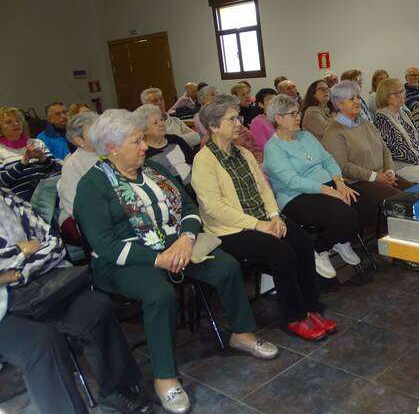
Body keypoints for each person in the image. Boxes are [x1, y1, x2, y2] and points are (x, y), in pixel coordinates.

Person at [74, 109, 277, 414]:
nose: (145, 146)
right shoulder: (92, 185)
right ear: (112, 148)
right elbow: (104, 244)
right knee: (159, 295)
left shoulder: (154, 169)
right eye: (136, 141)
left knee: (225, 266)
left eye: (143, 139)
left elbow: (189, 206)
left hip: (175, 244)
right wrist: (159, 258)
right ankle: (165, 378)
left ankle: (241, 333)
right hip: (122, 260)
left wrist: (186, 239)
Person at [191, 95, 337, 341]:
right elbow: (214, 207)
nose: (240, 123)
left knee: (302, 242)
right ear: (214, 126)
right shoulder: (203, 160)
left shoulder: (243, 153)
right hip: (230, 230)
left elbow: (264, 189)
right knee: (282, 253)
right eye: (232, 119)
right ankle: (294, 316)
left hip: (263, 219)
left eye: (239, 117)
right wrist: (259, 224)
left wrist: (274, 216)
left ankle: (311, 308)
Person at [0, 189, 153, 414]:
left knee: (96, 308)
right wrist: (22, 251)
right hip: (4, 310)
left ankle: (117, 391)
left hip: (43, 286)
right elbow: (35, 249)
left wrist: (16, 271)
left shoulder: (7, 198)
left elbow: (52, 242)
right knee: (42, 343)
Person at [263, 94, 361, 279]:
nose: (298, 116)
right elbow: (293, 181)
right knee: (347, 215)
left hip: (327, 186)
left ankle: (339, 240)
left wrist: (339, 183)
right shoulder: (273, 148)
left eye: (298, 112)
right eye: (292, 114)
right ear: (278, 118)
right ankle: (319, 249)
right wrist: (331, 191)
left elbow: (328, 159)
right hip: (296, 197)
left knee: (362, 202)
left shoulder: (305, 135)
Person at [322, 81, 413, 235]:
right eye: (352, 99)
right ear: (339, 105)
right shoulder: (334, 131)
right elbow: (343, 166)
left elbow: (385, 149)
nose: (358, 101)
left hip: (383, 175)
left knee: (415, 192)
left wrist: (390, 170)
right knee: (400, 201)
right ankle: (398, 243)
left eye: (358, 97)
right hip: (357, 182)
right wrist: (376, 177)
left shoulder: (364, 122)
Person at [0, 107, 61, 201]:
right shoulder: (1, 150)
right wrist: (23, 163)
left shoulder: (37, 143)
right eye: (9, 122)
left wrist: (42, 157)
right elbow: (2, 181)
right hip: (21, 202)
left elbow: (57, 170)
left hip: (49, 197)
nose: (16, 124)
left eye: (18, 120)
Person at [133, 104, 195, 186]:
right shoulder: (143, 152)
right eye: (155, 123)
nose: (161, 124)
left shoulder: (176, 140)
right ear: (144, 130)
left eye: (161, 120)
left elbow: (194, 164)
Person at [57, 111, 99, 223]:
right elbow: (72, 205)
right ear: (79, 140)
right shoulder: (72, 165)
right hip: (85, 218)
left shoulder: (110, 152)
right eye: (94, 131)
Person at [249, 88, 278, 160]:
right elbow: (264, 147)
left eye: (276, 99)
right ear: (261, 104)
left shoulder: (283, 117)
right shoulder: (257, 122)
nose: (274, 102)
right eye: (269, 99)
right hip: (271, 159)